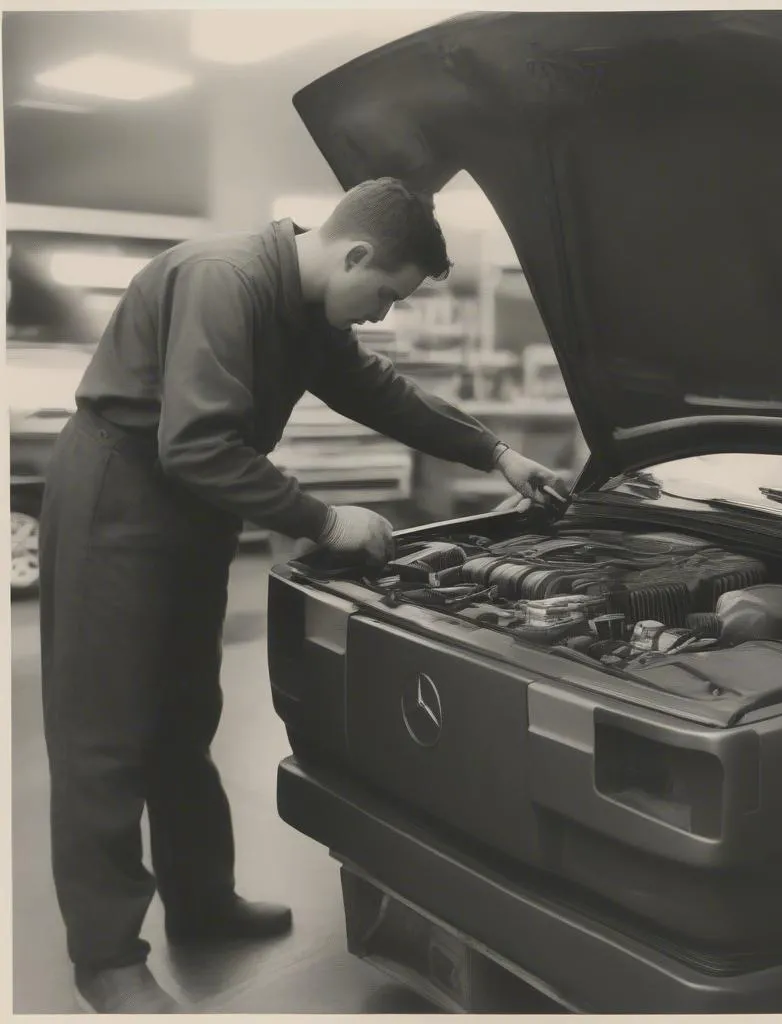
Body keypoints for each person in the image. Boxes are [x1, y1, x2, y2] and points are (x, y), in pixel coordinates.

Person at [38, 177, 569, 1013]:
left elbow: (378, 391)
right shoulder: (227, 280)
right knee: (104, 734)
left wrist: (494, 454)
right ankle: (105, 959)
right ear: (353, 254)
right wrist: (323, 520)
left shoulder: (309, 308)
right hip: (122, 492)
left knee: (183, 716)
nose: (382, 315)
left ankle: (201, 904)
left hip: (195, 501)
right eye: (385, 294)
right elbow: (197, 444)